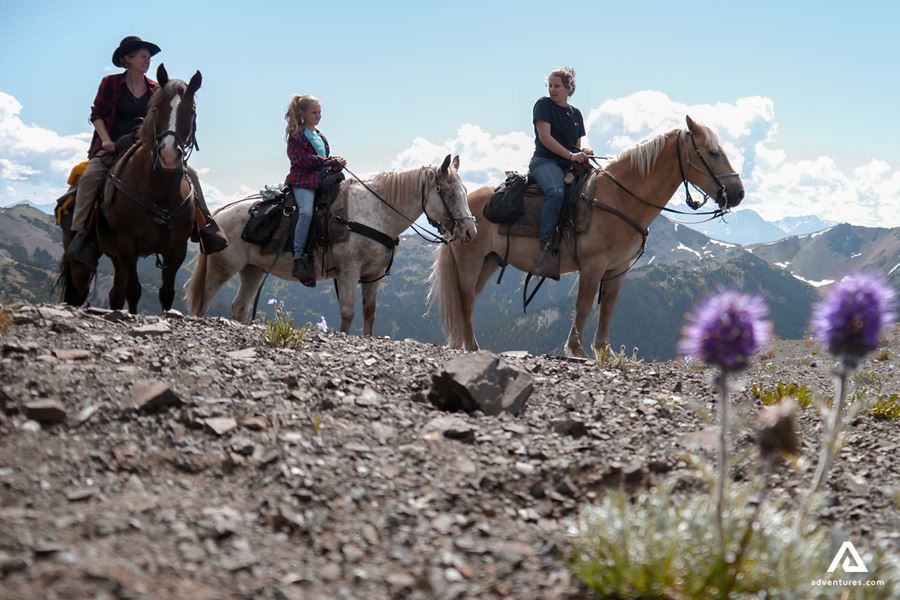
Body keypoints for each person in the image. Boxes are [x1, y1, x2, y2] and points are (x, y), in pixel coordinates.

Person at [67, 36, 227, 267]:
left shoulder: (156, 88)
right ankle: (81, 234)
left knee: (190, 174)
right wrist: (105, 140)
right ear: (127, 59)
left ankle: (205, 226)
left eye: (149, 57)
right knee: (91, 177)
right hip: (113, 145)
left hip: (146, 145)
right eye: (142, 55)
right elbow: (97, 114)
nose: (147, 60)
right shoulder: (110, 83)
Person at [529, 66, 593, 280]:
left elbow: (576, 146)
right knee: (556, 192)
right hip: (544, 161)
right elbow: (545, 139)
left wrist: (582, 152)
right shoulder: (544, 105)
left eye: (557, 86)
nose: (552, 90)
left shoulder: (576, 114)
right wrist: (571, 156)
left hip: (567, 163)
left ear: (569, 88)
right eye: (550, 86)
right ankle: (546, 242)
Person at [284, 94, 346, 287]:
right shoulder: (296, 135)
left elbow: (321, 163)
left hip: (320, 181)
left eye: (320, 112)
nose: (318, 115)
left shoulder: (320, 136)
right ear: (302, 113)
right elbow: (302, 160)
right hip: (303, 182)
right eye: (314, 112)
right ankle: (299, 255)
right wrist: (329, 161)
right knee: (306, 212)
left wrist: (336, 164)